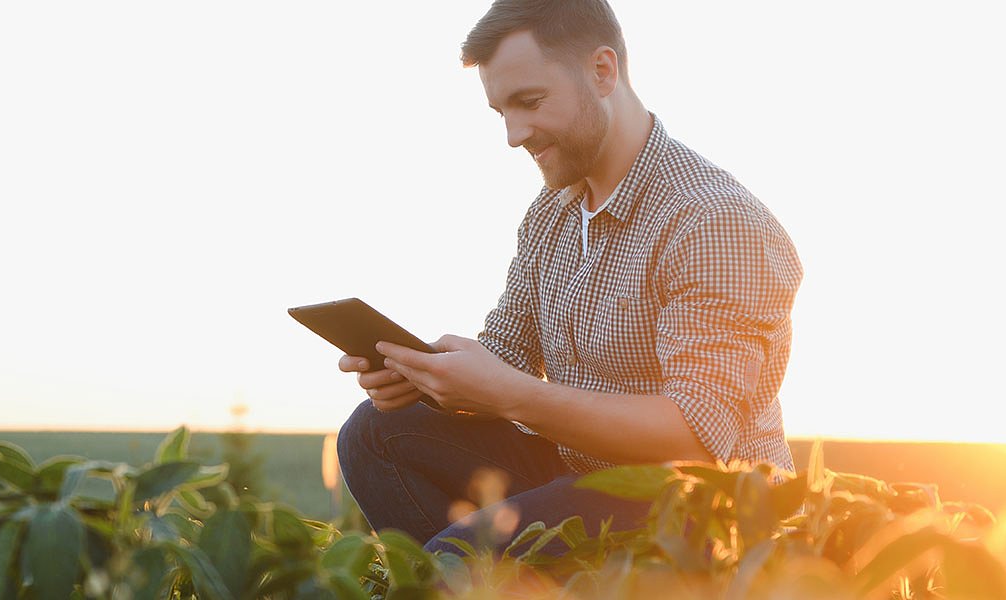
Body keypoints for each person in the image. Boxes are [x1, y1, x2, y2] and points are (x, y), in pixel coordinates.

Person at [333, 0, 803, 556]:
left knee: (453, 558)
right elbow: (507, 354)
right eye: (500, 112)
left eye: (529, 103)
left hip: (700, 510)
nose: (513, 134)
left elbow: (696, 438)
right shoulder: (553, 210)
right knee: (375, 432)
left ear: (602, 71)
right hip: (579, 476)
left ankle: (459, 575)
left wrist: (512, 396)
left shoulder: (713, 221)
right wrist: (430, 377)